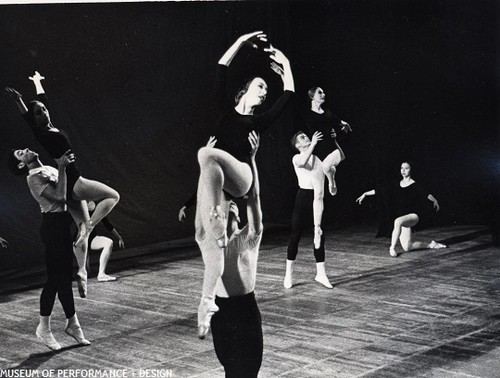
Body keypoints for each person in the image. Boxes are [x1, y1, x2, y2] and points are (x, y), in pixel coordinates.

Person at [195, 31, 294, 330]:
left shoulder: (258, 122)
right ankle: (206, 299)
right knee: (211, 237)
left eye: (266, 88)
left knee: (205, 154)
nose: (264, 92)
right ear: (244, 91)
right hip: (219, 182)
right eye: (260, 86)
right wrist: (239, 41)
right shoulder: (226, 111)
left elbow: (287, 96)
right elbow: (221, 69)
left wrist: (286, 65)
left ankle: (216, 227)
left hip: (242, 177)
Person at [5, 71, 120, 296]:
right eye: (39, 113)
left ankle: (83, 273)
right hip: (75, 180)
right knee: (112, 196)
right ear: (34, 119)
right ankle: (89, 228)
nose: (44, 113)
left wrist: (38, 82)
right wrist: (19, 100)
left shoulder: (50, 127)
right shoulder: (41, 135)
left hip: (68, 185)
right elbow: (28, 118)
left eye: (45, 110)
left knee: (81, 232)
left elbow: (44, 104)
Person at [7, 147, 90, 350]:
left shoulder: (48, 169)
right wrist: (62, 167)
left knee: (63, 279)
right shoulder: (33, 179)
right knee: (55, 280)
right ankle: (45, 328)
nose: (25, 150)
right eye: (20, 154)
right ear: (21, 164)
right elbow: (60, 197)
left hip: (63, 225)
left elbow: (70, 196)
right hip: (52, 228)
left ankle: (73, 325)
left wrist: (82, 221)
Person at [198, 131, 264, 378]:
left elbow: (254, 196)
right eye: (226, 203)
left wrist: (252, 159)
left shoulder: (250, 238)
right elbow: (206, 201)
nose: (231, 204)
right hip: (221, 313)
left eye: (235, 202)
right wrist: (206, 169)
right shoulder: (210, 242)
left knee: (246, 373)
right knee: (230, 371)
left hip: (245, 312)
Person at [356, 161, 446, 257]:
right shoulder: (396, 184)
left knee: (397, 221)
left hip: (414, 216)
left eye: (406, 168)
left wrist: (434, 200)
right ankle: (431, 245)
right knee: (407, 247)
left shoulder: (415, 185)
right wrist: (365, 193)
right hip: (403, 219)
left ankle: (392, 247)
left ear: (411, 170)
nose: (403, 170)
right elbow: (380, 190)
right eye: (402, 168)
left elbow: (426, 194)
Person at [284, 131, 334, 290]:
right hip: (303, 197)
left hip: (316, 199)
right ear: (298, 145)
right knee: (295, 235)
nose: (307, 138)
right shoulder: (296, 157)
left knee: (319, 234)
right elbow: (304, 162)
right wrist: (312, 143)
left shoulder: (316, 158)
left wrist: (332, 177)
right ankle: (288, 274)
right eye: (303, 138)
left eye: (307, 136)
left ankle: (321, 273)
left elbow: (326, 173)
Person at [304, 86, 351, 196]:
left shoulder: (328, 113)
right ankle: (331, 173)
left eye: (324, 92)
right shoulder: (307, 114)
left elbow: (342, 122)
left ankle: (332, 181)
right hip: (319, 151)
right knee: (324, 173)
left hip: (334, 149)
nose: (323, 94)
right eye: (320, 93)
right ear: (312, 96)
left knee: (326, 167)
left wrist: (346, 125)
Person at [86, 200, 125, 282]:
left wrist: (119, 237)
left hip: (92, 239)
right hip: (78, 241)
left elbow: (106, 223)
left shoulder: (96, 207)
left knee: (108, 242)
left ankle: (101, 274)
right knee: (86, 274)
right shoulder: (78, 205)